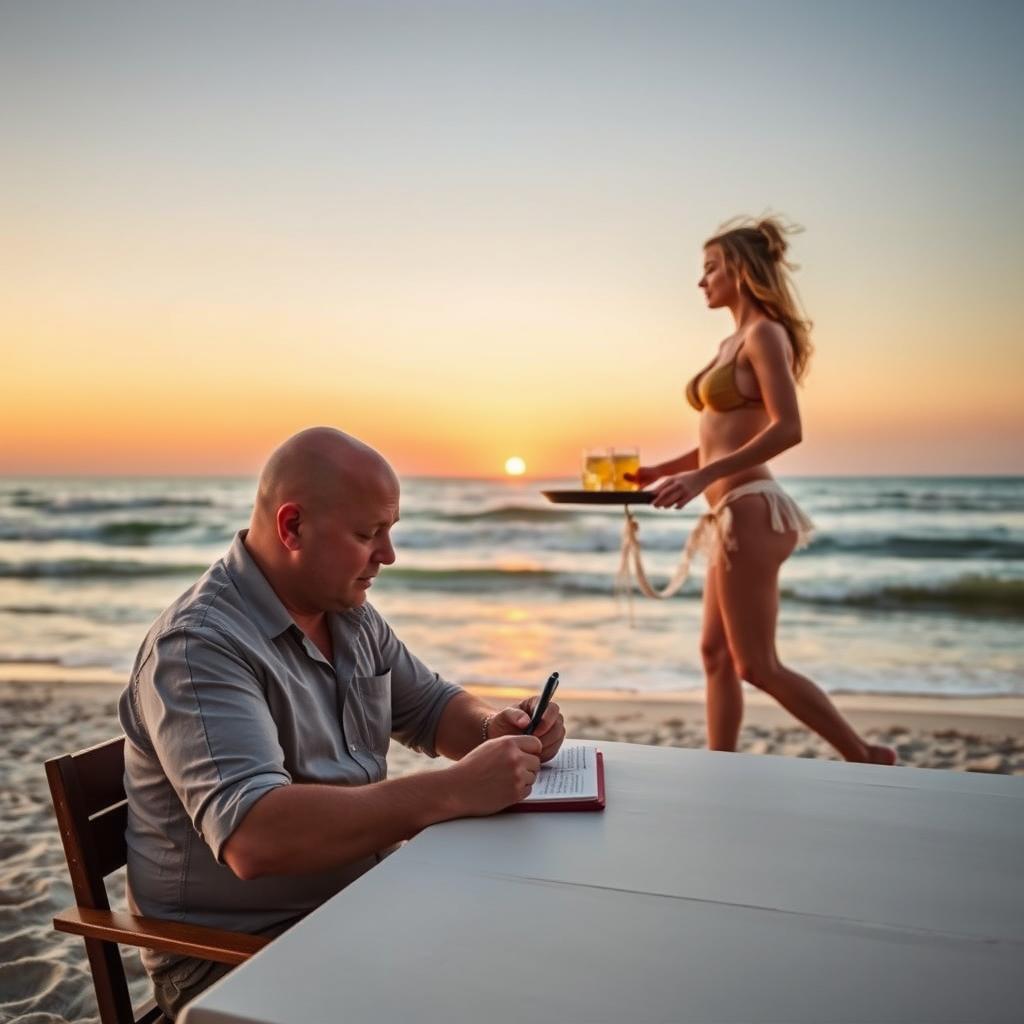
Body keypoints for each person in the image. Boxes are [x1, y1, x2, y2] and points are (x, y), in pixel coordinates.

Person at [118, 427, 565, 1019]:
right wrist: (455, 790)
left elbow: (431, 708)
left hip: (358, 904)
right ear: (292, 526)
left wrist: (496, 727)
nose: (388, 555)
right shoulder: (198, 647)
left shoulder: (346, 613)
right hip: (235, 957)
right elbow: (255, 835)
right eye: (367, 534)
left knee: (541, 953)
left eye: (390, 531)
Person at [628, 217, 895, 766]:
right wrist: (663, 469)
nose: (701, 281)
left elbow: (788, 428)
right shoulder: (730, 340)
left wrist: (702, 477)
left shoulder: (764, 334)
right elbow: (716, 439)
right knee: (715, 655)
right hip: (729, 514)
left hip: (753, 509)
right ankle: (719, 765)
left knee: (756, 664)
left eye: (710, 268)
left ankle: (864, 753)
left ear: (742, 272)